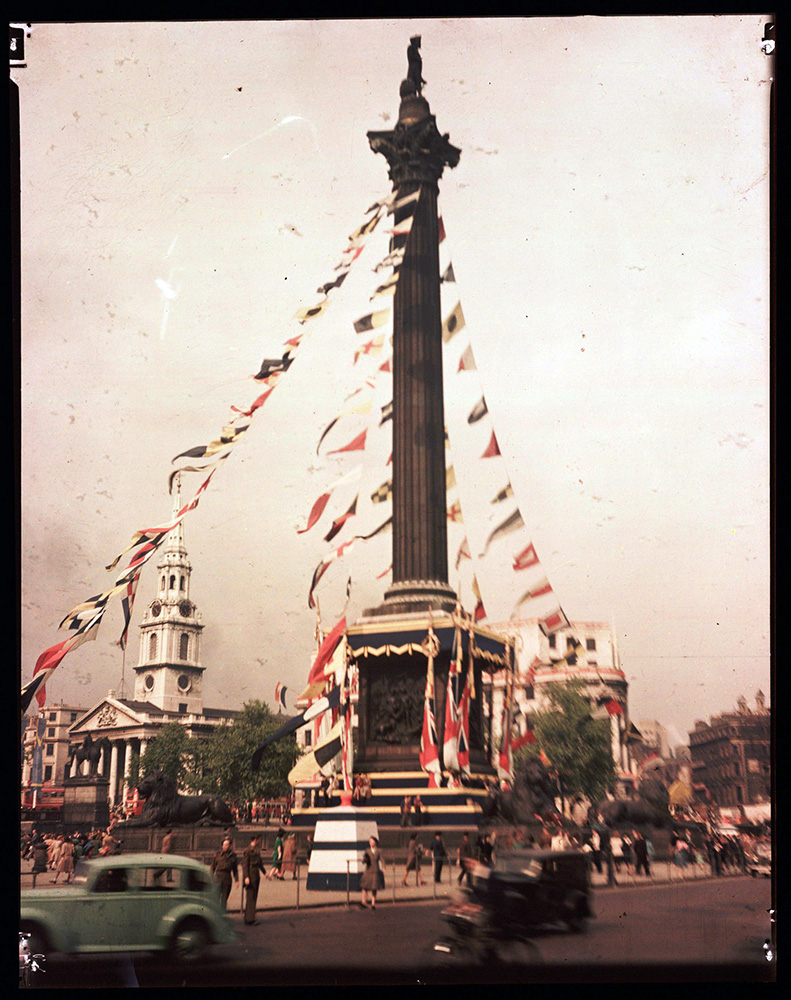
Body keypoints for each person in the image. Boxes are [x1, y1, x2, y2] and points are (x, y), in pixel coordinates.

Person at [241, 835, 266, 925]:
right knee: (250, 897)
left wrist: (265, 873)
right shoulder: (247, 851)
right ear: (255, 840)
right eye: (259, 840)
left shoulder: (256, 850)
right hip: (251, 876)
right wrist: (246, 877)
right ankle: (249, 919)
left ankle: (250, 917)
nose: (260, 841)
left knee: (253, 896)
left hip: (256, 875)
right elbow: (244, 865)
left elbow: (259, 863)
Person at [210, 836, 239, 909]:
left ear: (230, 846)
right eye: (224, 845)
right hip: (218, 877)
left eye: (227, 845)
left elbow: (235, 870)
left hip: (227, 877)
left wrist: (237, 880)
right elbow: (212, 867)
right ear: (222, 846)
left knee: (224, 898)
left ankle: (222, 914)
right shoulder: (218, 855)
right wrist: (211, 878)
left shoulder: (233, 856)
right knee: (216, 896)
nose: (226, 846)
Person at [360, 835, 384, 910]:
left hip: (375, 870)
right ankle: (364, 901)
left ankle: (373, 903)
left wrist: (384, 867)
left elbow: (382, 859)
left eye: (372, 841)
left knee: (374, 887)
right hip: (368, 870)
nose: (370, 843)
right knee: (364, 886)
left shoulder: (378, 851)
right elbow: (364, 859)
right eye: (370, 842)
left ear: (375, 842)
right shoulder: (367, 850)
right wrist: (364, 860)